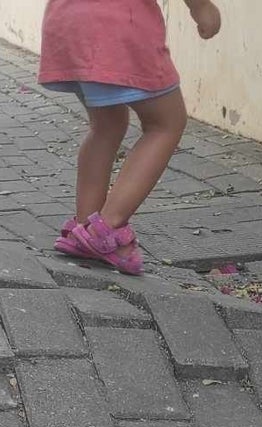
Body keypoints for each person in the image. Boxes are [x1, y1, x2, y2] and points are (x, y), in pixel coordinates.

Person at [39, 0, 222, 275]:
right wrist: (201, 7)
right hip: (119, 27)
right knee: (166, 123)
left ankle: (84, 227)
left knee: (106, 126)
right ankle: (108, 227)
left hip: (67, 23)